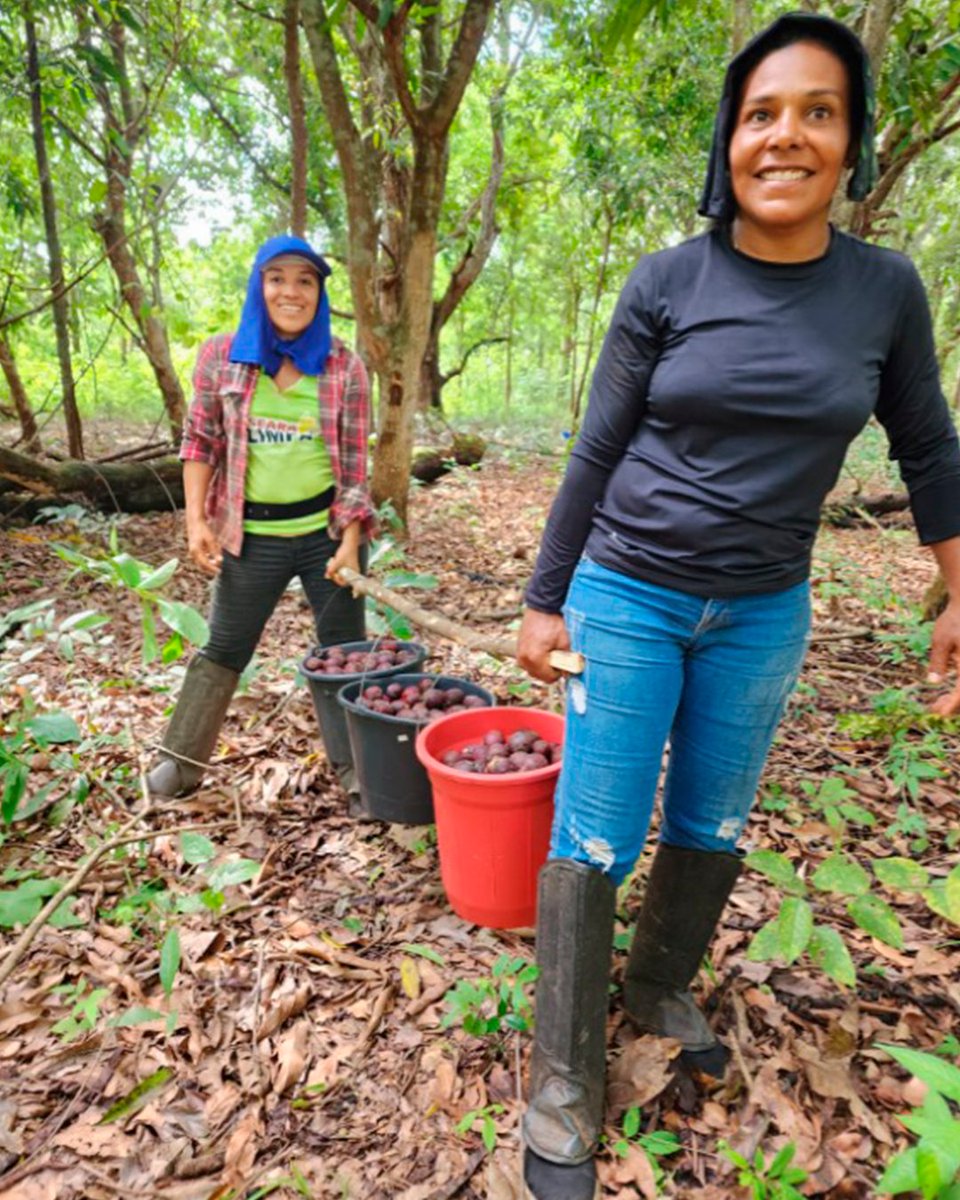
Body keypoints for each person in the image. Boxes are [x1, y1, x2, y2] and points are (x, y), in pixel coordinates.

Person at [516, 14, 960, 1200]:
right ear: (730, 140)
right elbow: (597, 446)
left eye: (818, 111)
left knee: (711, 818)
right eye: (763, 113)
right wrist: (543, 599)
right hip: (627, 597)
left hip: (764, 612)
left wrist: (958, 589)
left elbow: (927, 446)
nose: (787, 135)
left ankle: (659, 985)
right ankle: (564, 1069)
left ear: (850, 141)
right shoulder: (668, 279)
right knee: (598, 828)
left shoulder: (885, 292)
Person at [146, 234, 375, 798]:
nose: (290, 292)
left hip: (326, 535)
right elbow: (199, 442)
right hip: (250, 535)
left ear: (319, 293)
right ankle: (178, 765)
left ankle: (358, 775)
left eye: (305, 281)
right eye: (277, 279)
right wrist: (197, 522)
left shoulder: (343, 365)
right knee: (224, 647)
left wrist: (350, 542)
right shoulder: (222, 355)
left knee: (344, 650)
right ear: (259, 285)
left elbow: (353, 465)